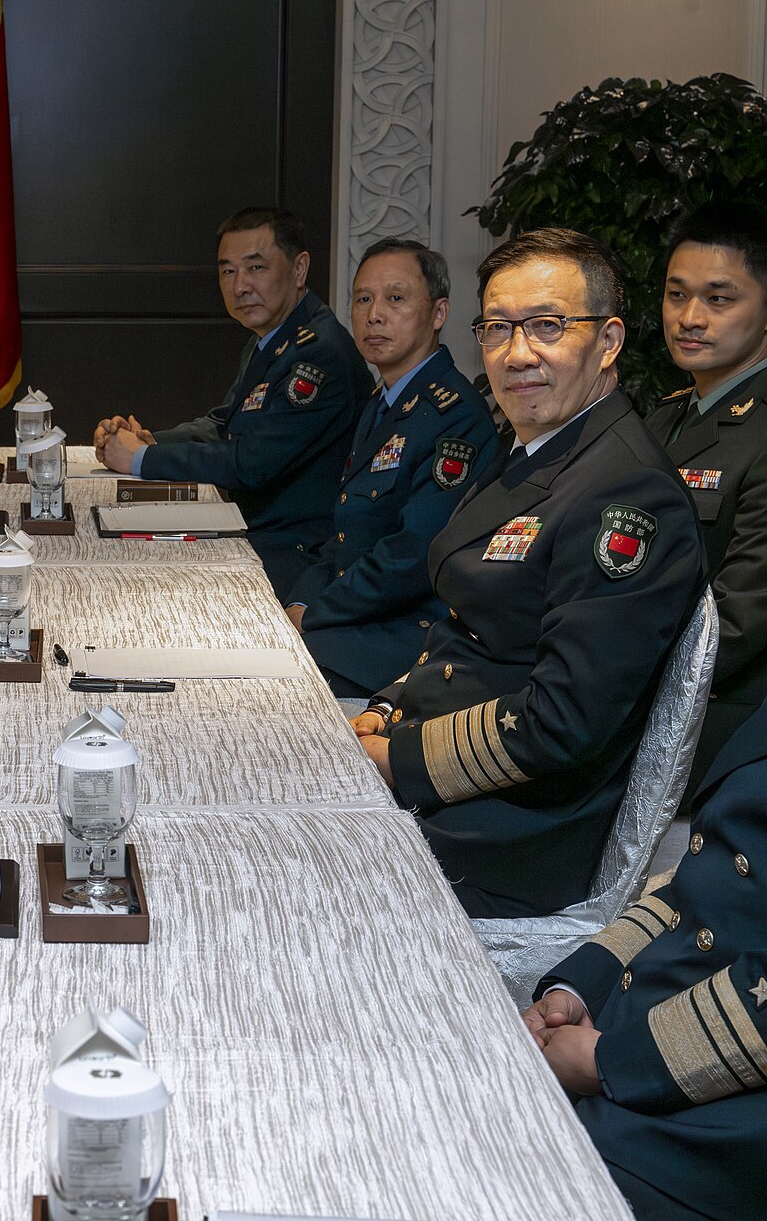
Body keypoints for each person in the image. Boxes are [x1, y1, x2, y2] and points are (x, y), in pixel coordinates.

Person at [351, 228, 702, 918]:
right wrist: (386, 708)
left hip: (501, 837)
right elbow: (469, 626)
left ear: (607, 342)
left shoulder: (626, 492)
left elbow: (561, 722)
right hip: (442, 779)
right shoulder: (542, 446)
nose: (517, 354)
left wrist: (397, 761)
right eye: (498, 329)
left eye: (547, 326)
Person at [523, 701, 767, 1220]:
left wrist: (611, 1062)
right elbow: (698, 882)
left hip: (720, 1114)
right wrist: (581, 987)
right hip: (648, 1024)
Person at [94, 207, 372, 599]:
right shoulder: (274, 337)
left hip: (291, 554)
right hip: (249, 528)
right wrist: (149, 440)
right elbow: (224, 423)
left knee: (134, 589)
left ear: (299, 269)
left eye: (255, 268)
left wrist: (140, 460)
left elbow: (251, 463)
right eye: (228, 271)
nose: (239, 286)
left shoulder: (317, 354)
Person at [284, 239, 497, 699]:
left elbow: (413, 554)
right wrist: (301, 600)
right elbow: (342, 534)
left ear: (439, 313)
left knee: (268, 683)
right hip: (353, 616)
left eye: (395, 298)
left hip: (408, 637)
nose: (374, 314)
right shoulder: (383, 403)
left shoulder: (454, 415)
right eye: (363, 299)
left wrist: (315, 612)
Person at [642, 203, 767, 800]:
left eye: (719, 299)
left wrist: (606, 670)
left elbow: (740, 622)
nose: (690, 318)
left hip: (717, 725)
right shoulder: (665, 417)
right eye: (676, 295)